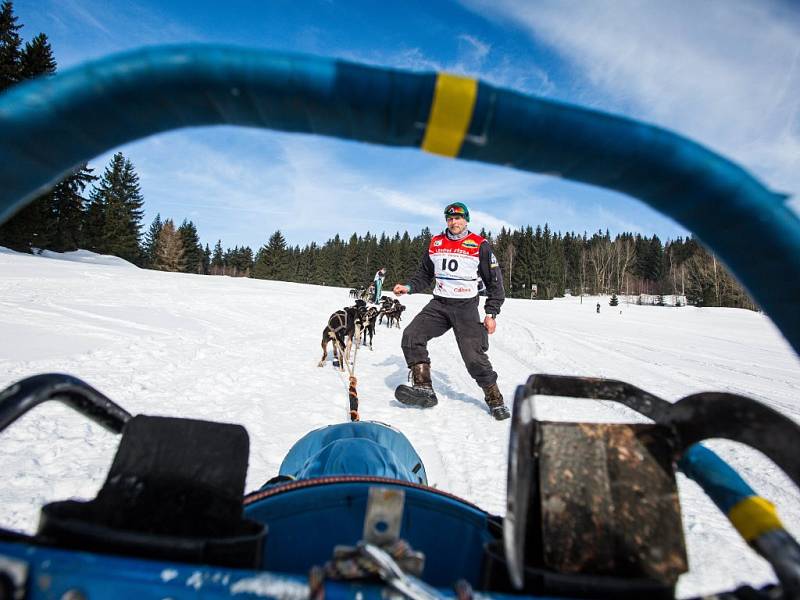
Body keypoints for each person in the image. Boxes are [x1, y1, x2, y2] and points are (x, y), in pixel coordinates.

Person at [392, 202, 510, 420]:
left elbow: (495, 283)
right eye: (450, 218)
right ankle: (424, 388)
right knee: (411, 336)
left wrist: (491, 313)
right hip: (439, 304)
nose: (454, 222)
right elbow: (425, 274)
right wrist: (408, 287)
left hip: (465, 307)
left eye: (458, 218)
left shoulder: (479, 245)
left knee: (473, 357)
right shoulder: (436, 242)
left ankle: (495, 400)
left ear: (466, 219)